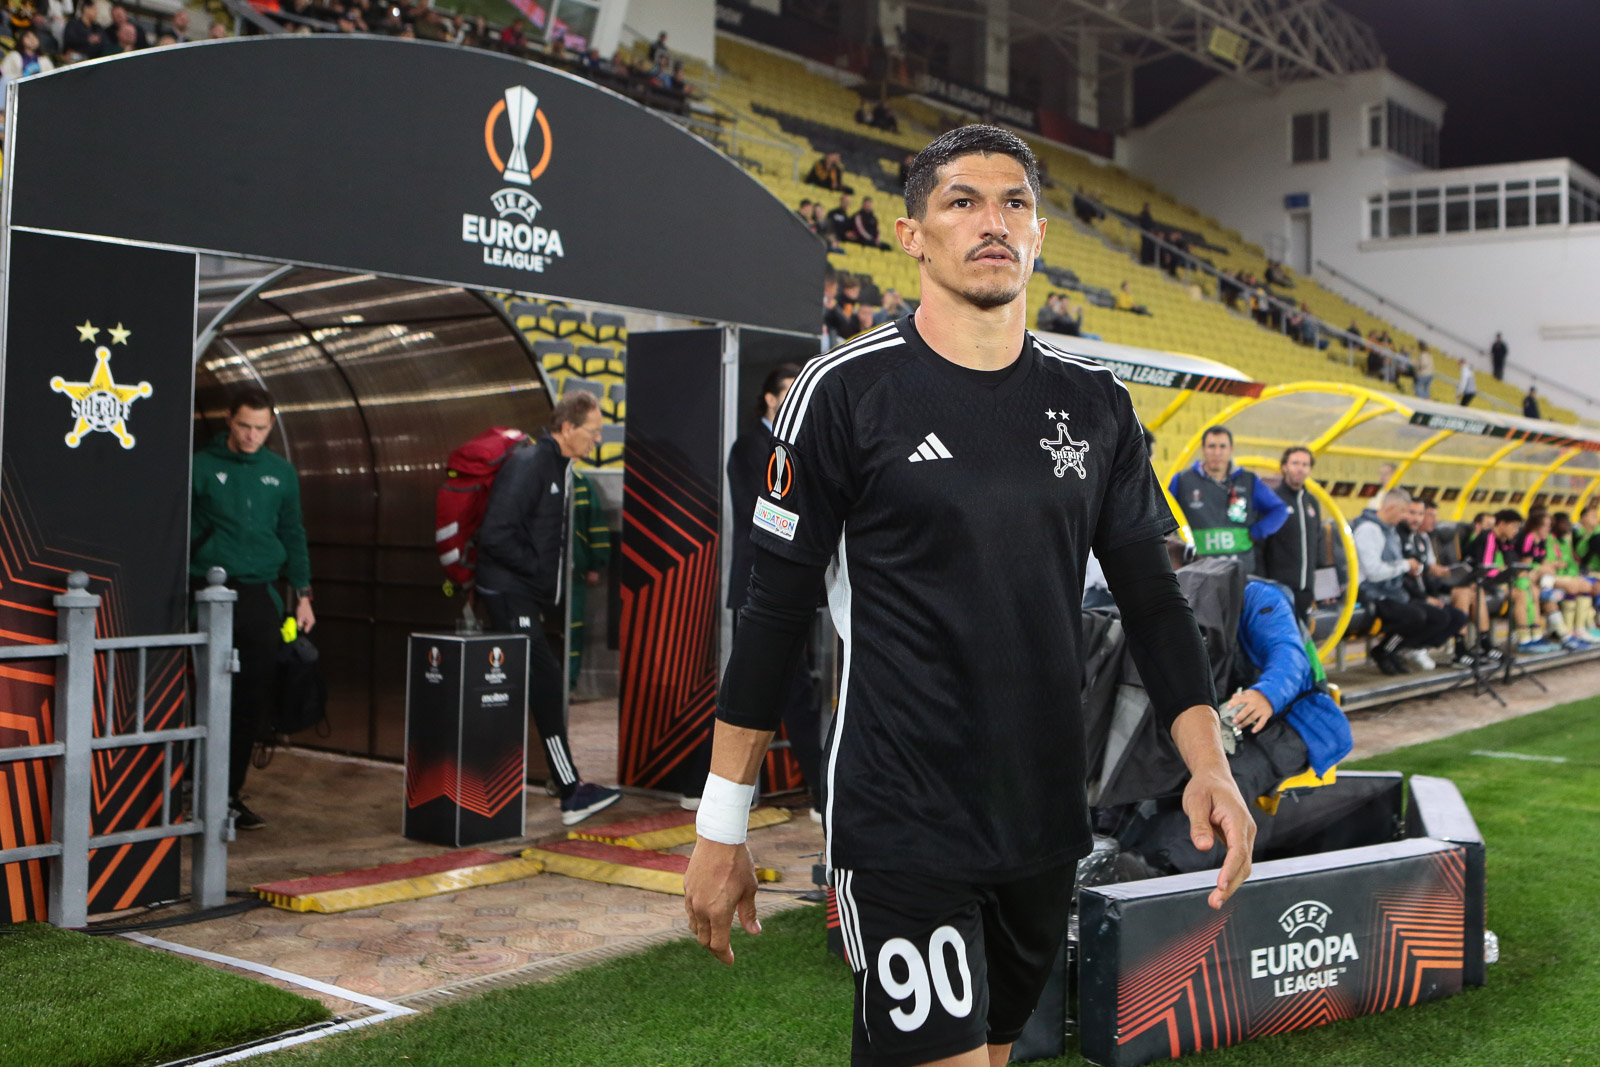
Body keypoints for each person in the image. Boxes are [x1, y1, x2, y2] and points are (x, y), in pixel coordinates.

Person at [683, 125, 1251, 1067]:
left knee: (993, 1055)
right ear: (911, 235)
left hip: (1045, 816)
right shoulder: (842, 392)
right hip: (901, 813)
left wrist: (1210, 764)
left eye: (1014, 203)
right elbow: (772, 618)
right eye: (963, 201)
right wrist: (721, 825)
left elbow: (1154, 601)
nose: (993, 222)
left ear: (1039, 234)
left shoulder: (1097, 404)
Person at [1131, 551, 1352, 875]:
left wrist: (1265, 695)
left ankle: (1162, 868)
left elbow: (1289, 656)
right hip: (1226, 721)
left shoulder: (1259, 596)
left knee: (1229, 779)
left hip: (1296, 721)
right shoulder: (1169, 610)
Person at [476, 392, 622, 825]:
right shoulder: (530, 464)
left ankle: (561, 781)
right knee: (544, 680)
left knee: (540, 681)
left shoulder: (557, 466)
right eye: (593, 431)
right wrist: (539, 571)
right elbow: (495, 534)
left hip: (521, 592)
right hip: (508, 592)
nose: (598, 440)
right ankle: (569, 789)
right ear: (567, 428)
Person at [189, 388, 315, 831]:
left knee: (251, 695)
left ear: (271, 426)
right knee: (200, 692)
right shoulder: (200, 466)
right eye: (244, 425)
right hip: (206, 590)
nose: (251, 435)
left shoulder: (280, 473)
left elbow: (293, 532)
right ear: (229, 419)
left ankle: (227, 794)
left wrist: (303, 595)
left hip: (260, 593)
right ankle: (188, 786)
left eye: (260, 428)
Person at [702, 362, 822, 810]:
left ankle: (819, 792)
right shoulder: (749, 448)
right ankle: (815, 794)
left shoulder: (802, 443)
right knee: (757, 693)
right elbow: (769, 513)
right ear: (769, 398)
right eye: (787, 391)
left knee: (794, 691)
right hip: (760, 588)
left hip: (797, 586)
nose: (793, 400)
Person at [1352, 489, 1466, 674]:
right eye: (1404, 511)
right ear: (1391, 507)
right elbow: (1374, 572)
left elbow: (1398, 565)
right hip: (1373, 593)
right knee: (1415, 616)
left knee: (1441, 616)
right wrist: (1406, 565)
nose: (1405, 517)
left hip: (1394, 592)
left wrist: (1412, 568)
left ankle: (1396, 650)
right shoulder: (1368, 530)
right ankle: (1384, 651)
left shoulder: (1390, 531)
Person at [1169, 426, 1289, 576]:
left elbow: (1280, 510)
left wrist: (1258, 531)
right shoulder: (1182, 480)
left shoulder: (1249, 480)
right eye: (1212, 446)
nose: (1217, 452)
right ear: (1203, 449)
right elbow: (1166, 517)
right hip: (1197, 571)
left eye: (1222, 446)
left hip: (1240, 571)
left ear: (1231, 449)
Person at [1258, 446, 1324, 622]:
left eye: (1305, 464)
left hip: (1305, 590)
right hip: (1278, 589)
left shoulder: (1312, 503)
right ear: (1284, 467)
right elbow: (1260, 545)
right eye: (1295, 463)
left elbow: (1318, 544)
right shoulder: (1271, 500)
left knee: (1303, 634)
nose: (1300, 468)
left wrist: (1325, 589)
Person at [567, 469, 610, 689]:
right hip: (541, 574)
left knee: (573, 629)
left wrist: (596, 563)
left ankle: (568, 683)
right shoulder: (536, 479)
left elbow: (595, 523)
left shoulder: (582, 484)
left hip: (575, 575)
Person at [1548, 512, 1600, 641]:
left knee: (1586, 585)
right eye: (1563, 523)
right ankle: (1569, 631)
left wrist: (1573, 575)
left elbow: (1571, 563)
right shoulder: (1550, 540)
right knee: (1577, 586)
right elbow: (1548, 563)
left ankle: (1580, 628)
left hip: (1569, 575)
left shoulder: (1565, 541)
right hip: (1553, 577)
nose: (1567, 526)